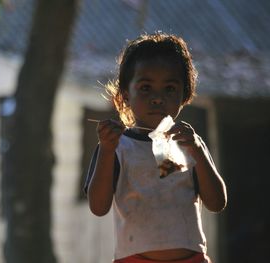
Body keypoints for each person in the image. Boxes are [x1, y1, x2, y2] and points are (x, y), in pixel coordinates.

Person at [84, 33, 227, 263]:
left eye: (169, 88)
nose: (158, 98)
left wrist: (198, 151)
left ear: (185, 95)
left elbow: (217, 203)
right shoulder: (117, 147)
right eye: (145, 87)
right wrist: (107, 150)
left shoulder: (189, 144)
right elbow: (99, 207)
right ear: (125, 96)